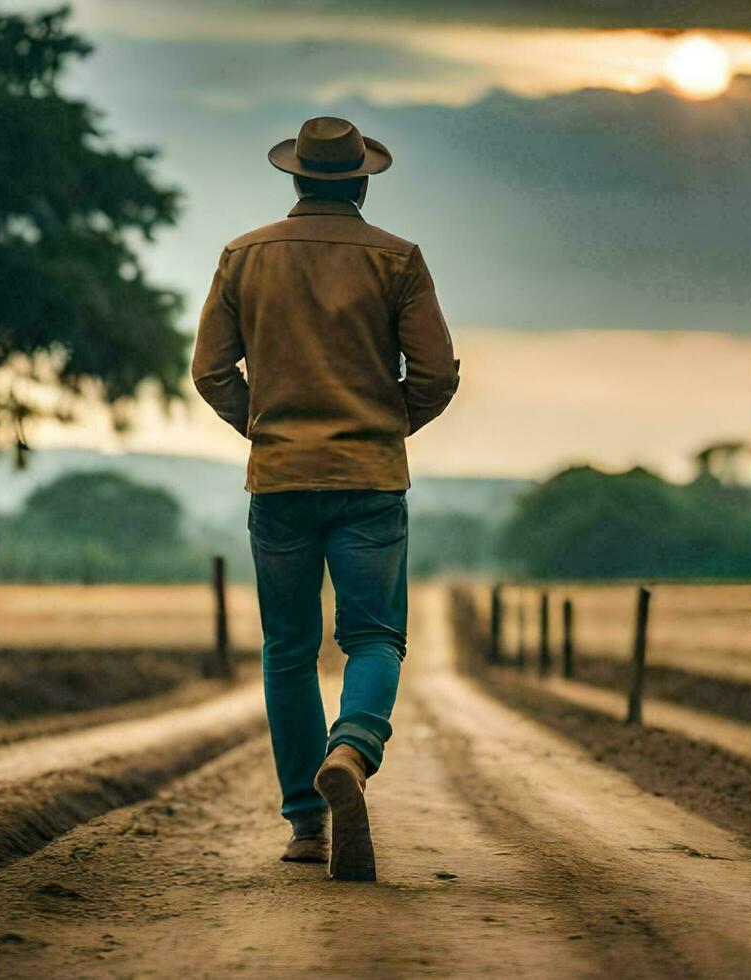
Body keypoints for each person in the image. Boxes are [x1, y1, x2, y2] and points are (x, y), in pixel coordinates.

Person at [191, 116, 460, 882]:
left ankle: (307, 826)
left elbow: (211, 370)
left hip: (279, 480)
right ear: (362, 182)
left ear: (297, 179)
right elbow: (435, 374)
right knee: (374, 638)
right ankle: (353, 748)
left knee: (288, 651)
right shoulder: (397, 260)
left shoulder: (244, 256)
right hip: (371, 480)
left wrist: (268, 427)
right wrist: (381, 427)